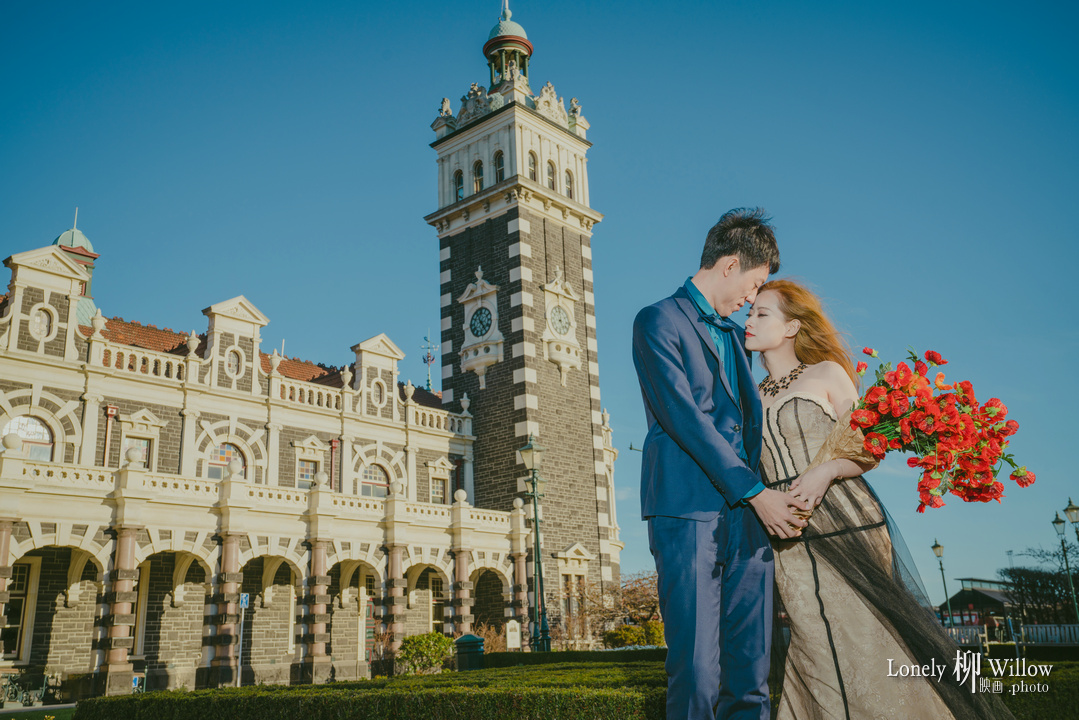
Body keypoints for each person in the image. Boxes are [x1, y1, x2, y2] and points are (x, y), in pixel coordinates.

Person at [744, 278, 1015, 720]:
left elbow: (868, 444)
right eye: (749, 312)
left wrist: (827, 469)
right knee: (812, 639)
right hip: (788, 531)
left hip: (845, 515)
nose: (748, 321)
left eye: (761, 313)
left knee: (869, 634)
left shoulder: (827, 373)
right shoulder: (749, 397)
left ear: (792, 326)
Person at [632, 208, 809, 720]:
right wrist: (756, 492)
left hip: (749, 520)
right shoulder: (657, 319)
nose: (752, 300)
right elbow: (684, 418)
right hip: (688, 510)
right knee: (696, 670)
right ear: (730, 265)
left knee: (751, 672)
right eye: (755, 285)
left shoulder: (735, 337)